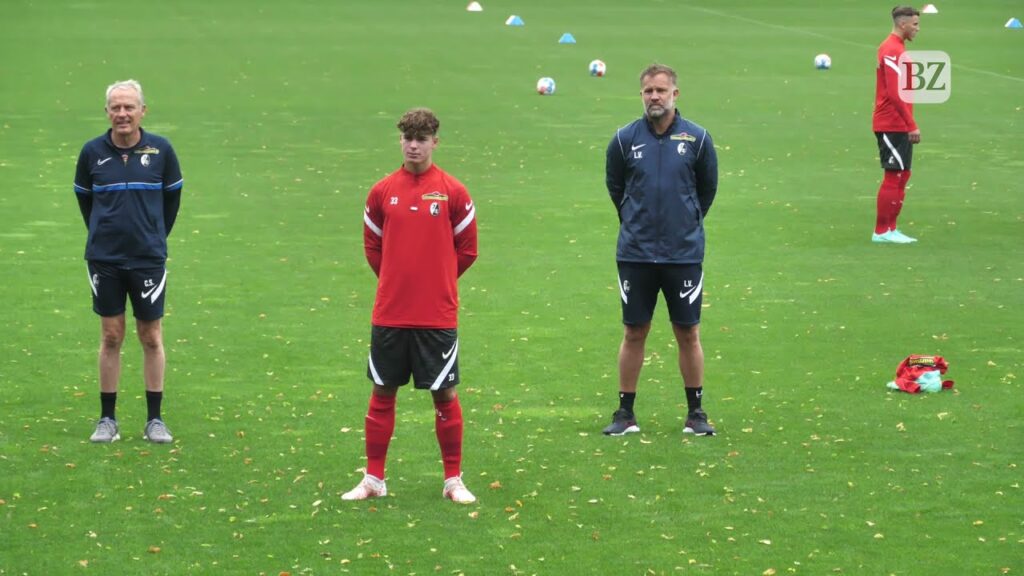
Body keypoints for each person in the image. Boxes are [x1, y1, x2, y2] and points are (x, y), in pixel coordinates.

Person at [343, 108, 479, 504]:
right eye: (408, 138)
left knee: (444, 395)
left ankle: (453, 480)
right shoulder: (382, 192)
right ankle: (374, 479)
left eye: (421, 139)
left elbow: (468, 250)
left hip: (436, 315)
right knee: (382, 391)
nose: (414, 146)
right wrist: (395, 280)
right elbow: (373, 247)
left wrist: (436, 282)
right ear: (400, 141)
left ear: (435, 142)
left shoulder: (453, 192)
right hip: (391, 312)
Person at [603, 64, 719, 437]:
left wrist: (685, 222)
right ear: (641, 95)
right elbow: (616, 187)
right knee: (634, 331)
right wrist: (635, 221)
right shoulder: (624, 139)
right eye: (649, 91)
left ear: (675, 94)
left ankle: (696, 413)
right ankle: (625, 413)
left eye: (661, 90)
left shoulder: (697, 139)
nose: (655, 96)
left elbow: (707, 189)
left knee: (688, 333)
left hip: (682, 254)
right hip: (635, 254)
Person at [74, 79, 183, 443]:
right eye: (116, 107)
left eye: (129, 107)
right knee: (111, 335)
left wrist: (153, 235)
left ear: (142, 111)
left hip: (147, 258)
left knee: (150, 336)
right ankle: (107, 419)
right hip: (104, 258)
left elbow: (172, 200)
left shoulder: (162, 151)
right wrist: (103, 233)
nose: (122, 113)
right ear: (107, 112)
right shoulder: (92, 152)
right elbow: (85, 201)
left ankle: (155, 420)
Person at [872, 6, 921, 244]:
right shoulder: (891, 49)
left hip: (899, 122)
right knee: (894, 175)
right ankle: (882, 231)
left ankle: (891, 229)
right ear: (903, 24)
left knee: (903, 174)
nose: (918, 29)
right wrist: (911, 124)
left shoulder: (898, 48)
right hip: (891, 122)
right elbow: (893, 93)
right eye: (915, 24)